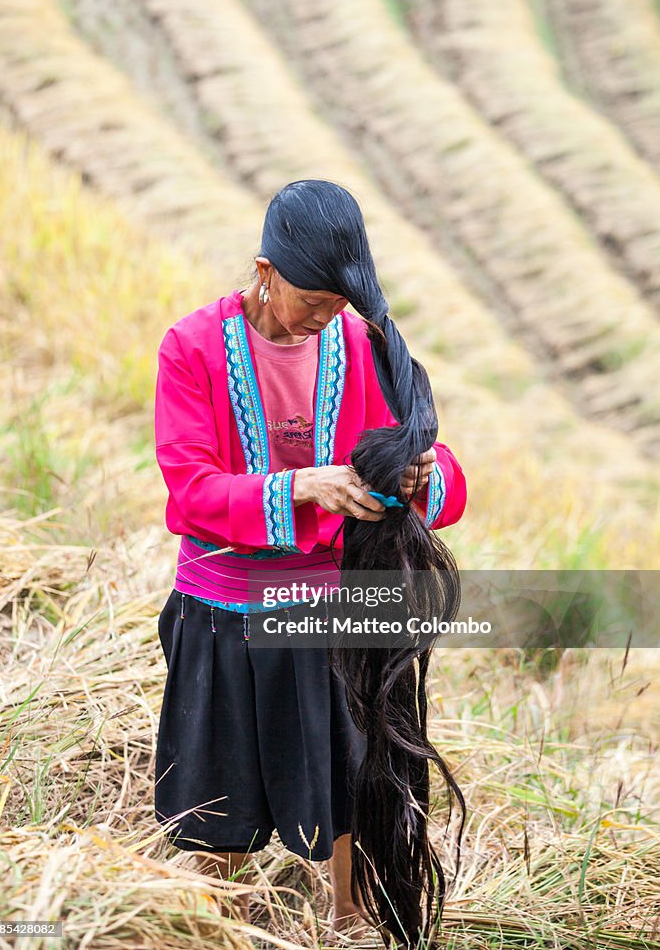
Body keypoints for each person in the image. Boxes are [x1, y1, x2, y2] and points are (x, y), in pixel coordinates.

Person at [153, 180, 467, 943]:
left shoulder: (360, 347)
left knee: (352, 782)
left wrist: (422, 474)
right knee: (214, 793)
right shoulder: (192, 347)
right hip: (225, 608)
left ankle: (350, 923)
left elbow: (442, 472)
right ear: (265, 272)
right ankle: (213, 926)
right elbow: (191, 491)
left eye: (336, 306)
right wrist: (302, 486)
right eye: (313, 301)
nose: (324, 318)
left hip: (332, 607)